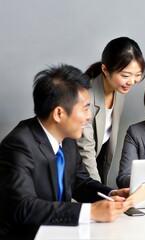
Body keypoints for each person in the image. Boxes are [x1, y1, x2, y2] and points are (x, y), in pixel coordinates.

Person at [0, 65, 133, 239]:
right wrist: (90, 212)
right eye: (85, 108)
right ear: (58, 113)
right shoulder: (18, 145)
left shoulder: (68, 139)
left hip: (59, 232)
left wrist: (111, 194)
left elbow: (80, 182)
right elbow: (24, 207)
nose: (89, 116)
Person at [77, 36, 145, 184]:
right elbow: (85, 150)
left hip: (93, 171)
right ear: (105, 69)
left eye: (137, 74)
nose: (131, 81)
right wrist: (97, 190)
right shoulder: (85, 96)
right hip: (74, 175)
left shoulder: (119, 90)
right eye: (125, 75)